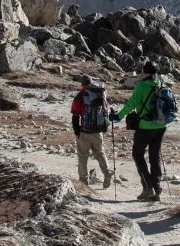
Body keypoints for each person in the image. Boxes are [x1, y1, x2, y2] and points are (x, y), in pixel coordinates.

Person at [118, 62, 168, 201]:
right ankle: (157, 188)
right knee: (154, 156)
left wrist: (119, 116)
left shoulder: (141, 86)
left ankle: (147, 187)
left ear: (145, 72)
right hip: (161, 126)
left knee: (138, 154)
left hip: (145, 126)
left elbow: (132, 103)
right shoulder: (160, 84)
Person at [70, 75, 113, 189]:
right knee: (100, 153)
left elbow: (75, 115)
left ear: (82, 84)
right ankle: (107, 171)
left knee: (83, 156)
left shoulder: (80, 96)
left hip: (84, 131)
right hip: (98, 131)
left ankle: (83, 181)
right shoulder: (100, 94)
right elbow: (108, 109)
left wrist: (76, 131)